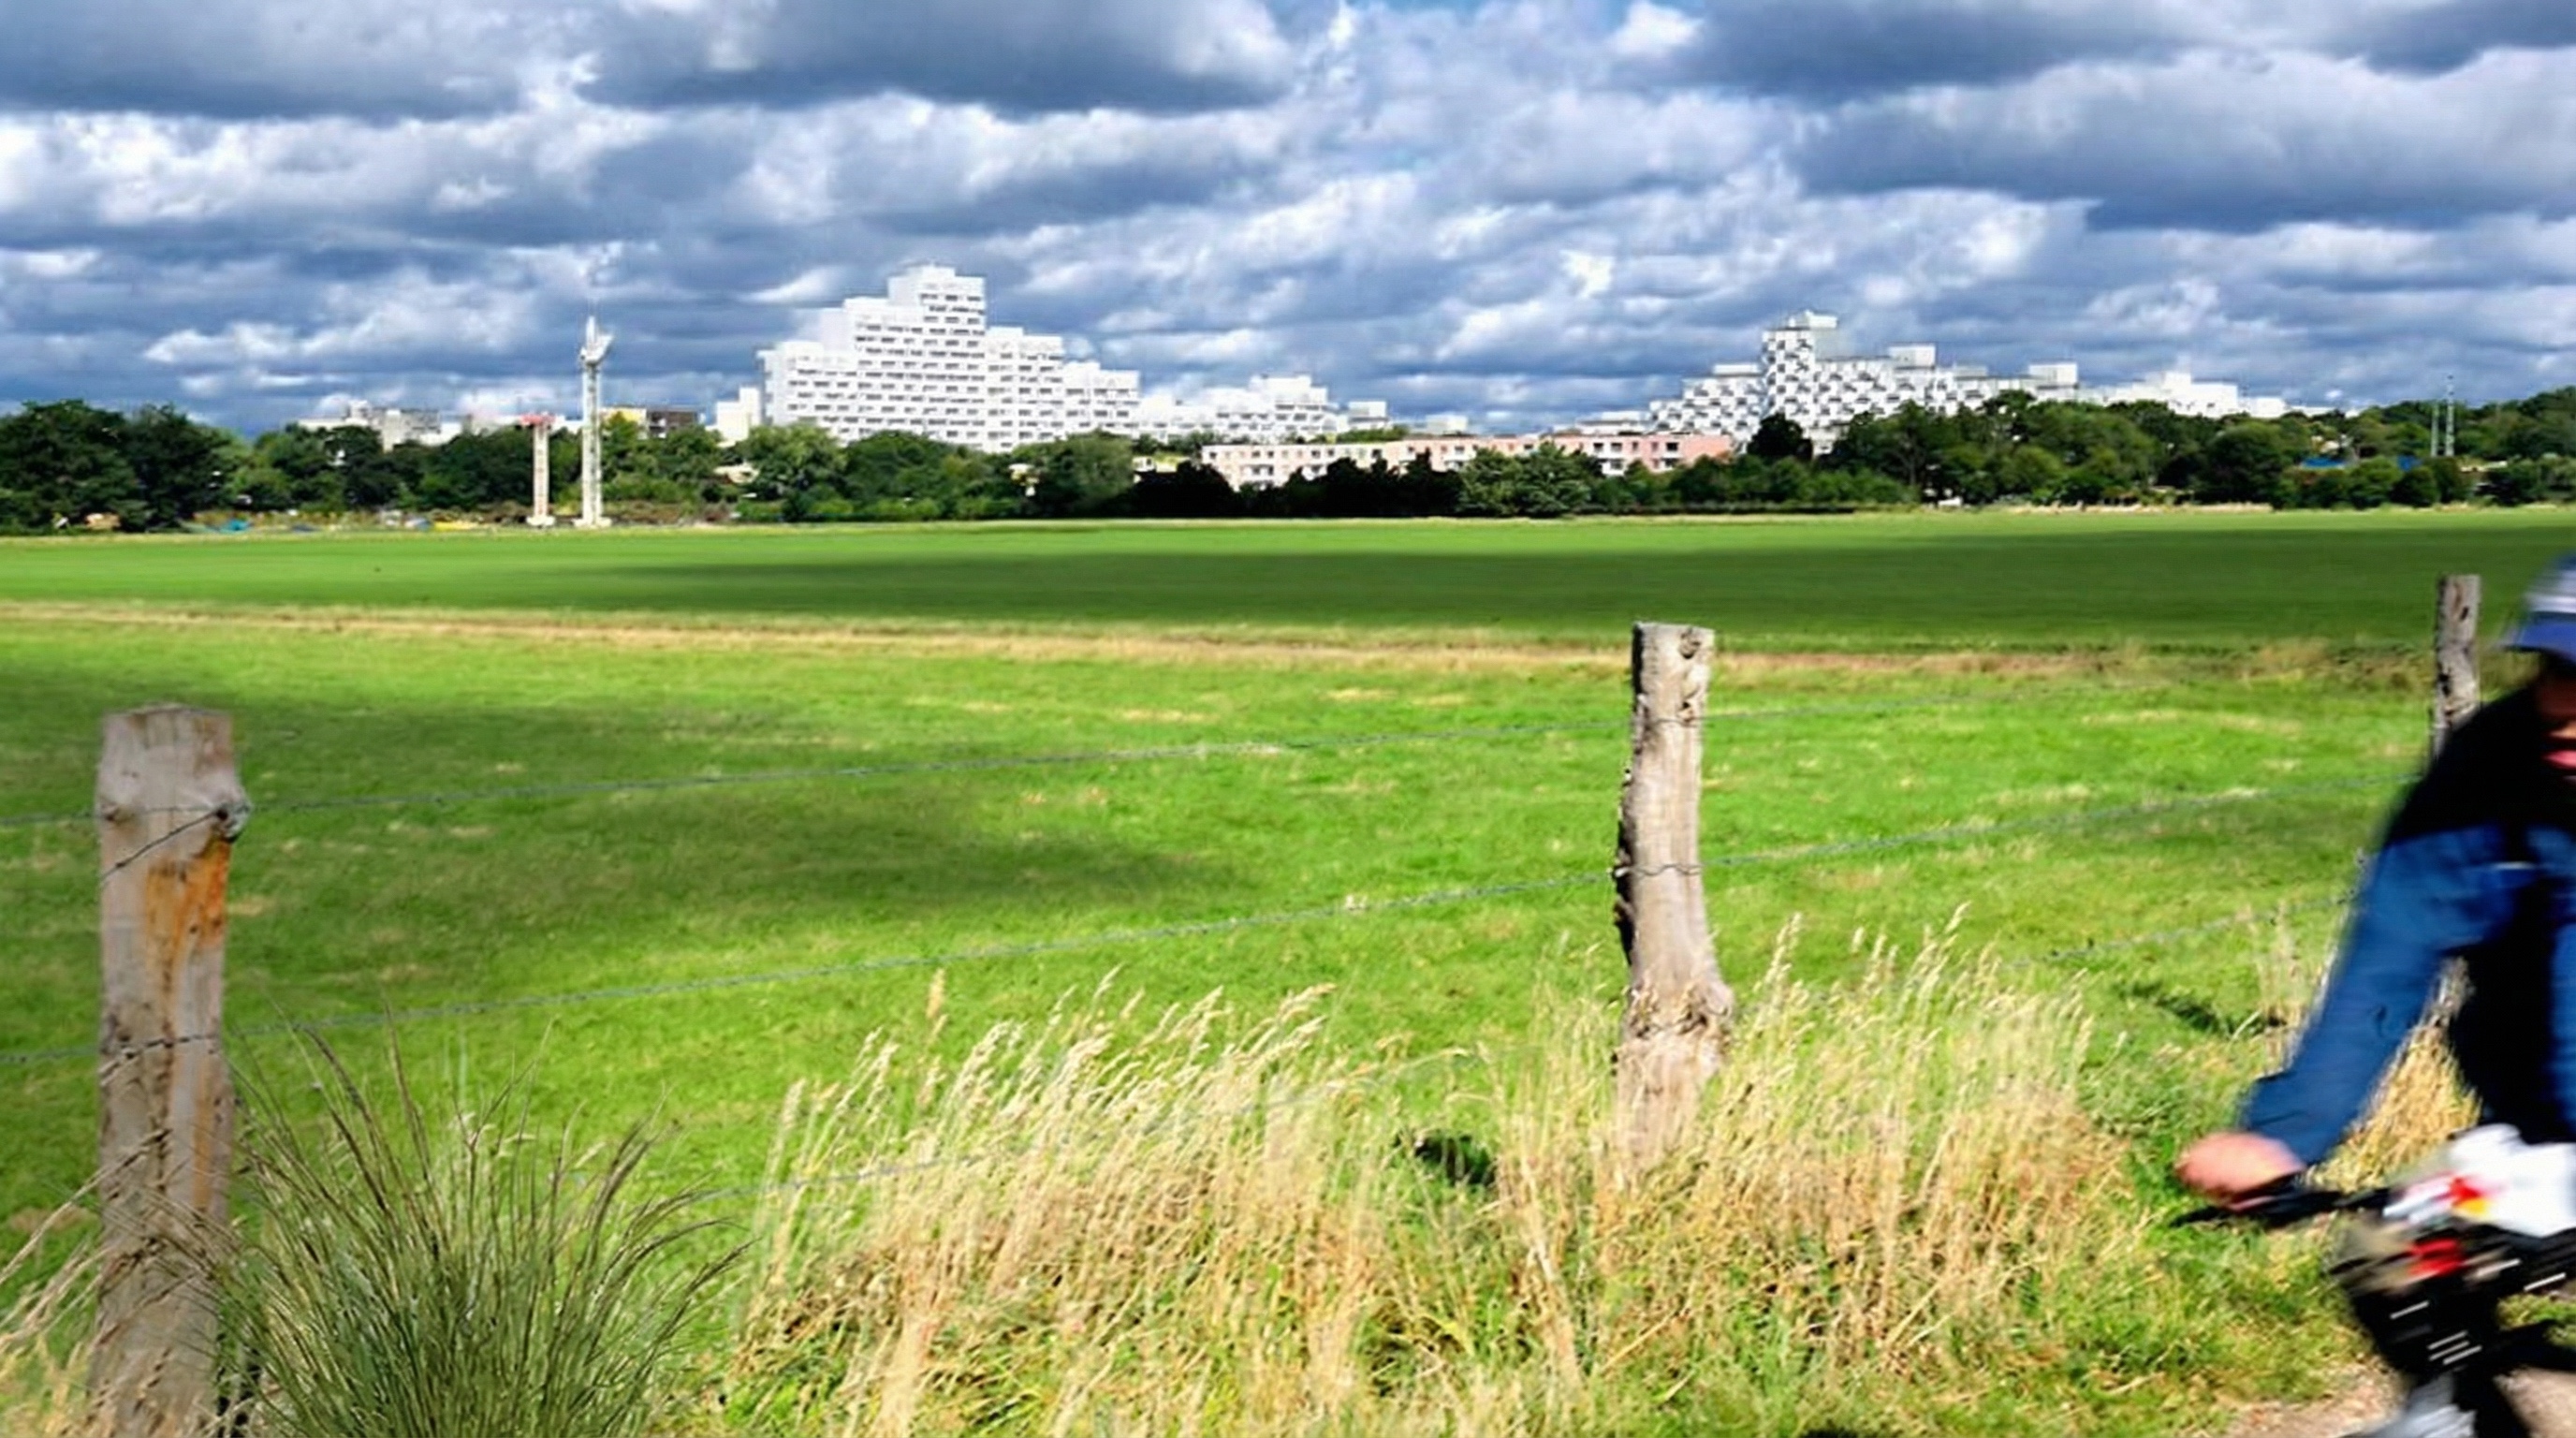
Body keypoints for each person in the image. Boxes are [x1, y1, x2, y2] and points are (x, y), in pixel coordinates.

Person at [2180, 556, 2576, 1201]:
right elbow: (2395, 946)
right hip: (2537, 1098)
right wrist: (2286, 1133)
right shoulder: (2491, 769)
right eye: (2559, 671)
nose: (2563, 708)